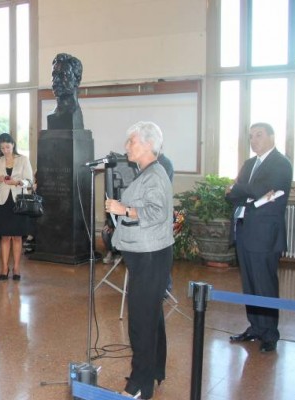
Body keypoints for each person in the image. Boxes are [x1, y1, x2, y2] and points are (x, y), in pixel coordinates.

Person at [105, 121, 174, 399]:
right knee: (152, 316)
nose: (126, 147)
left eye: (131, 141)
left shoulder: (155, 174)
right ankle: (155, 370)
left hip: (149, 256)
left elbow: (157, 211)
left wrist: (124, 209)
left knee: (141, 322)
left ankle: (139, 385)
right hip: (148, 254)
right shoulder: (148, 172)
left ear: (147, 144)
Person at [225, 122, 292, 353]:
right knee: (250, 284)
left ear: (272, 137)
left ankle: (270, 334)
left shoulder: (281, 163)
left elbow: (251, 189)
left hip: (265, 235)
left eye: (259, 135)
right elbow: (235, 195)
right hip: (244, 230)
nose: (254, 140)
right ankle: (255, 327)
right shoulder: (249, 163)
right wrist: (246, 190)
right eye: (251, 136)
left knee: (265, 285)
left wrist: (242, 189)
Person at [0, 134, 33, 280]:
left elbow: (29, 182)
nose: (5, 150)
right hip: (2, 202)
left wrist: (17, 182)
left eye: (7, 147)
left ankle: (17, 268)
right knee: (5, 237)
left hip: (18, 202)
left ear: (13, 145)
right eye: (2, 148)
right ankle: (4, 267)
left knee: (17, 237)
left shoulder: (23, 159)